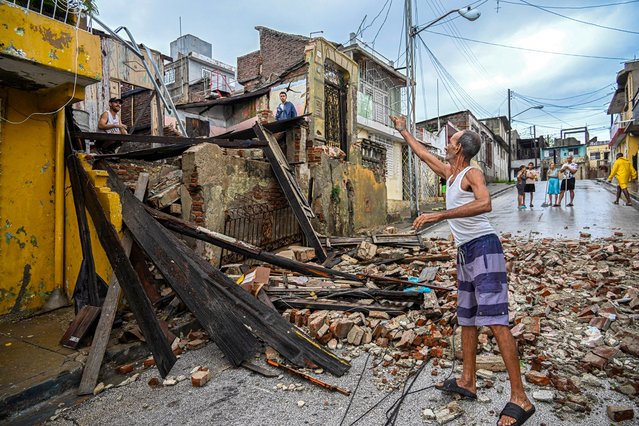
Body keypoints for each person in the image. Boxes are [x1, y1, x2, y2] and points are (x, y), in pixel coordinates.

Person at [390, 115, 535, 426]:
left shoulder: (472, 173)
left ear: (459, 150)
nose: (446, 144)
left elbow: (485, 204)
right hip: (465, 252)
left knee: (496, 320)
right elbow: (421, 153)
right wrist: (403, 129)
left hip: (485, 248)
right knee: (467, 318)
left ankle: (520, 398)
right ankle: (468, 380)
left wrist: (439, 215)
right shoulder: (450, 173)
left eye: (451, 142)